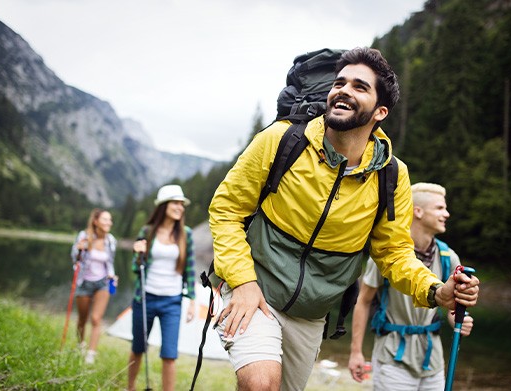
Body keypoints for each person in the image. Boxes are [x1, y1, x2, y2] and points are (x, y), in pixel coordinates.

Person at [208, 46, 480, 391]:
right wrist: (243, 283)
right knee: (260, 383)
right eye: (340, 83)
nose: (343, 90)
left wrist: (436, 290)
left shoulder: (391, 175)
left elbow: (394, 253)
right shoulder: (281, 140)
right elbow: (227, 208)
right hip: (254, 289)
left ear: (380, 111)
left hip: (309, 314)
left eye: (359, 86)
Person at [348, 182, 475, 390]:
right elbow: (363, 301)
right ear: (418, 211)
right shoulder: (387, 256)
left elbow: (451, 306)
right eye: (440, 208)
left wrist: (458, 319)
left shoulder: (448, 257)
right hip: (392, 358)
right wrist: (356, 352)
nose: (447, 214)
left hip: (432, 361)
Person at [127, 184, 196, 391]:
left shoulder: (186, 234)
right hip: (145, 299)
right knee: (138, 348)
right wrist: (137, 253)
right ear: (164, 205)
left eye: (182, 204)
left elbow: (190, 271)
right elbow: (135, 268)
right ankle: (129, 387)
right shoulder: (147, 231)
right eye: (176, 202)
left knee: (169, 354)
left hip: (172, 302)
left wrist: (192, 300)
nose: (180, 207)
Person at [70, 208, 117, 365]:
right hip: (84, 282)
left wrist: (112, 275)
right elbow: (74, 258)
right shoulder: (84, 236)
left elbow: (110, 262)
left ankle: (91, 354)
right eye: (105, 219)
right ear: (96, 221)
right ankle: (80, 345)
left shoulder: (111, 240)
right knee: (82, 318)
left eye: (109, 220)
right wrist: (79, 249)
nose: (108, 222)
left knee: (96, 318)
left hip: (102, 283)